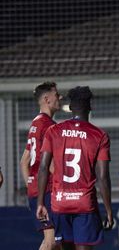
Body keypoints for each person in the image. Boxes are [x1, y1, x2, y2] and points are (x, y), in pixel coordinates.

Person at [36, 86, 114, 249]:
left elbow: (43, 168)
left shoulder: (53, 131)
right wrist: (108, 209)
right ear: (90, 107)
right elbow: (103, 177)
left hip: (60, 203)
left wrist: (41, 202)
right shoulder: (99, 136)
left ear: (70, 108)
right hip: (85, 203)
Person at [19, 81, 61, 250]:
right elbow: (50, 165)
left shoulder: (36, 123)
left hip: (37, 191)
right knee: (51, 241)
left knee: (57, 242)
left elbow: (24, 162)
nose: (60, 97)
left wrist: (31, 187)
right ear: (46, 99)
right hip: (48, 190)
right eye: (56, 94)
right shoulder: (49, 126)